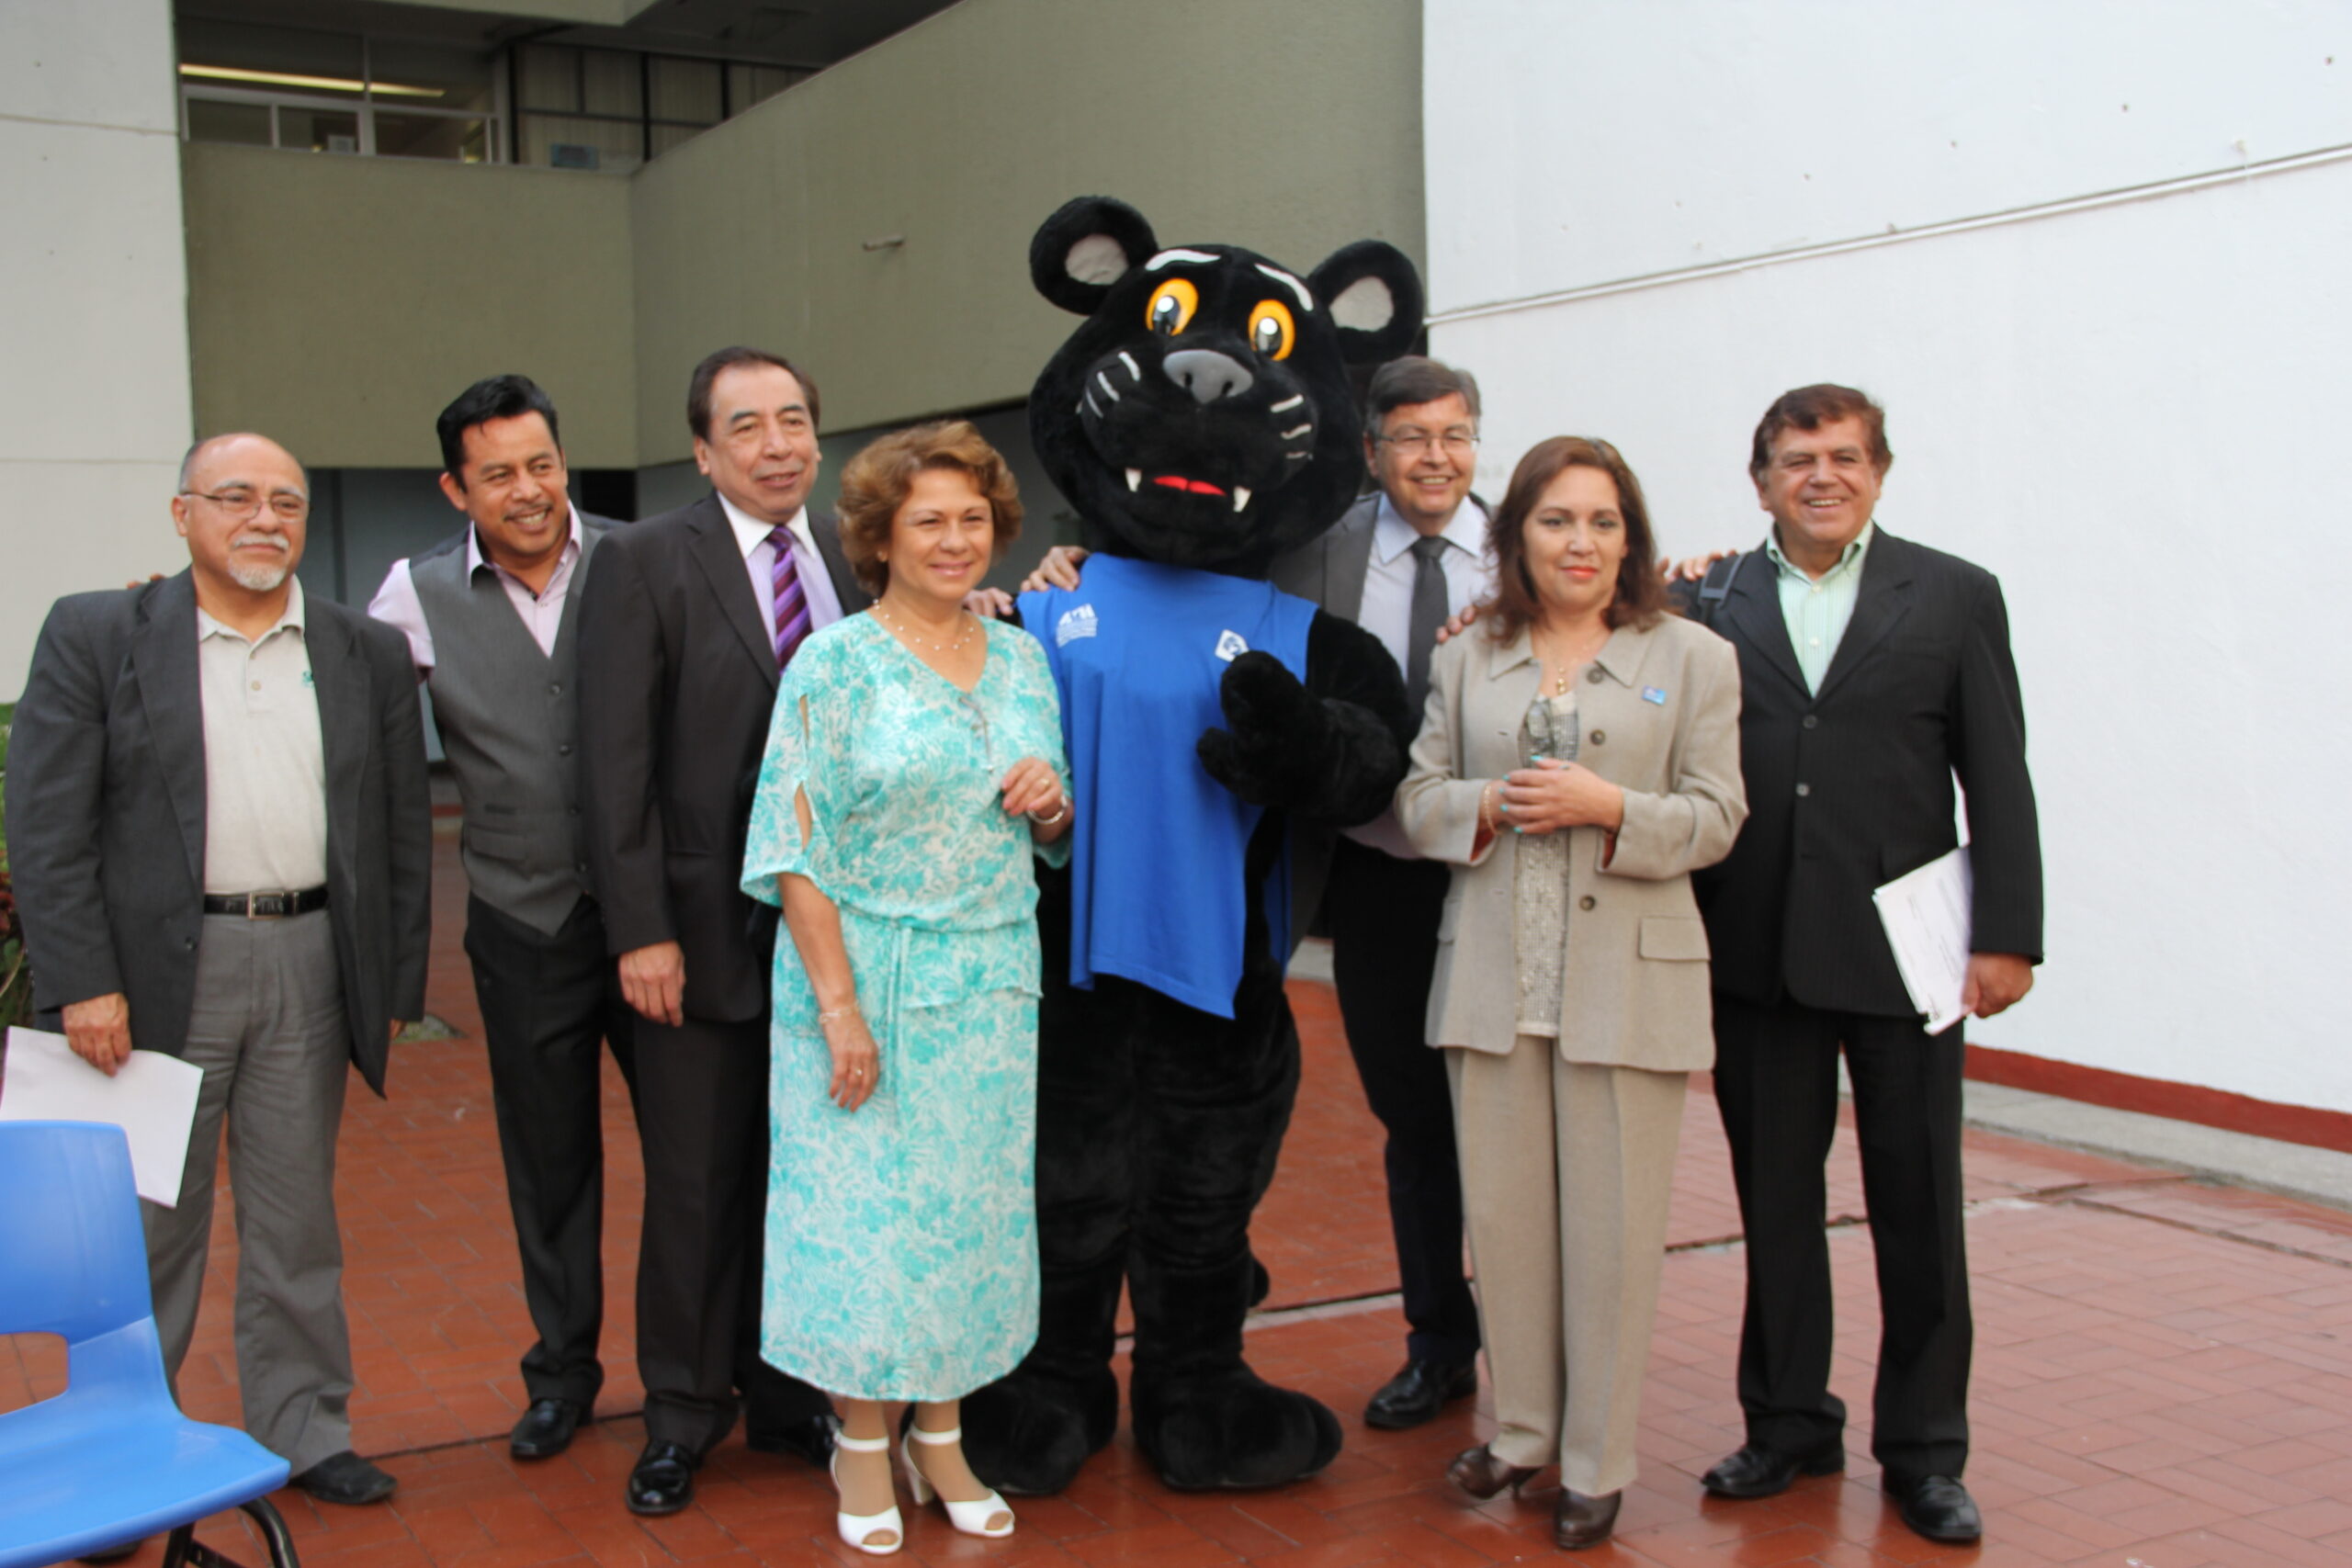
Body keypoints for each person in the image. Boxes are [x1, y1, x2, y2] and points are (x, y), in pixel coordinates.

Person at [1012, 356, 1495, 1429]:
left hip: (1486, 868)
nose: (1434, 456)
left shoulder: (1534, 548)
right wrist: (1060, 568)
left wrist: (1310, 749)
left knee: (1471, 1134)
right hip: (1355, 879)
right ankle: (1057, 1383)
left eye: (1455, 434)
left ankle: (1210, 1378)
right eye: (1411, 437)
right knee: (1403, 1122)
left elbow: (1364, 738)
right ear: (1368, 452)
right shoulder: (1307, 549)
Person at [6, 433, 431, 1507]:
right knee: (147, 1230)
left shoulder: (362, 651)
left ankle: (306, 1431)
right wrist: (80, 980)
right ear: (181, 512)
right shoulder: (98, 634)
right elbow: (47, 825)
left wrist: (392, 988)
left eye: (286, 501)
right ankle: (121, 1447)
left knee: (298, 1222)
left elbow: (398, 831)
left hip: (310, 962)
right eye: (235, 496)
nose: (263, 518)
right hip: (152, 977)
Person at [1686, 386, 2041, 1546]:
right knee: (1774, 1206)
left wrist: (2007, 935)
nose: (1821, 476)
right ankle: (1788, 1422)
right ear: (1761, 481)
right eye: (1797, 459)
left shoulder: (1952, 594)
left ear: (1879, 472)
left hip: (1905, 954)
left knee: (1918, 1208)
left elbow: (1997, 772)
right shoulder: (1706, 598)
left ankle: (1925, 1451)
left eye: (1844, 457)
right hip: (1757, 949)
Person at [1395, 435, 1745, 1551]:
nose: (1579, 542)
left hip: (1626, 986)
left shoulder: (1692, 655)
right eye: (1555, 520)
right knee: (1504, 1226)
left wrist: (1611, 808)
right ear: (1516, 537)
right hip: (1493, 981)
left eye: (1602, 521)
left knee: (1612, 1235)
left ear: (1629, 538)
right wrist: (1488, 803)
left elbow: (1718, 816)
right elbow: (1417, 800)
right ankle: (1523, 1432)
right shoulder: (1468, 655)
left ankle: (1597, 1461)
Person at [741, 420, 1071, 1554]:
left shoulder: (1022, 659)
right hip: (864, 983)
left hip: (990, 986)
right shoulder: (833, 663)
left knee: (968, 1224)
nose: (953, 539)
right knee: (866, 1230)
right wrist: (839, 1011)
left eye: (973, 518)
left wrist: (1051, 803)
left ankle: (942, 1435)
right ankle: (860, 1443)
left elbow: (1052, 827)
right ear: (880, 537)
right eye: (927, 520)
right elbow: (794, 847)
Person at [576, 347, 872, 1514]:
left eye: (794, 419)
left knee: (809, 1180)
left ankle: (791, 1398)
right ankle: (682, 1415)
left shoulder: (855, 551)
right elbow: (614, 762)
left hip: (837, 937)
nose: (776, 444)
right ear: (703, 452)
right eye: (746, 425)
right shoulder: (644, 560)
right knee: (696, 1183)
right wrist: (639, 929)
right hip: (696, 935)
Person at [366, 374, 639, 1461]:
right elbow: (342, 698)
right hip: (521, 922)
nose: (527, 491)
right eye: (497, 475)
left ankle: (715, 1370)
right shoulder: (413, 593)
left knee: (700, 1154)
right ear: (456, 489)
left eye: (541, 465)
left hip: (655, 920)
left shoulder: (642, 557)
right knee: (549, 1163)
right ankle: (562, 1376)